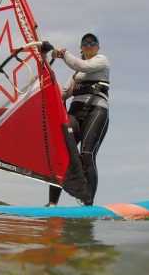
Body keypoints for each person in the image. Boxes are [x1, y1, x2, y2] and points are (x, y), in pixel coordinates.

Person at [47, 33, 110, 206]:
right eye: (85, 42)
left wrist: (62, 54)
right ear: (81, 47)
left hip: (96, 111)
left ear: (98, 47)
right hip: (75, 112)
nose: (89, 44)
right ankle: (52, 203)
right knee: (62, 152)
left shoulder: (102, 60)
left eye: (93, 42)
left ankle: (88, 203)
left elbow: (81, 64)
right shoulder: (76, 74)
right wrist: (45, 70)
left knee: (87, 154)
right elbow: (62, 94)